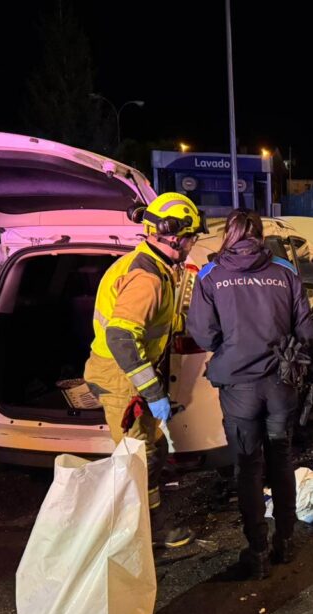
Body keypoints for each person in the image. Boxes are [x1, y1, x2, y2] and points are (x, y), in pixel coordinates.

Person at [187, 209, 313, 579]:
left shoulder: (212, 275)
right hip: (280, 383)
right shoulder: (285, 271)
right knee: (281, 458)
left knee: (247, 464)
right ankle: (286, 542)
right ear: (259, 235)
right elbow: (306, 331)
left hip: (239, 385)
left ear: (228, 234)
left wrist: (231, 349)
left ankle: (257, 550)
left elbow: (202, 332)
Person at [85, 192, 207, 548]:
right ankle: (142, 536)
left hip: (123, 370)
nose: (191, 244)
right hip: (120, 374)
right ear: (174, 235)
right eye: (190, 237)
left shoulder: (150, 265)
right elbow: (122, 336)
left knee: (149, 453)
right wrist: (152, 392)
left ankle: (146, 524)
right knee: (137, 461)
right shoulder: (148, 279)